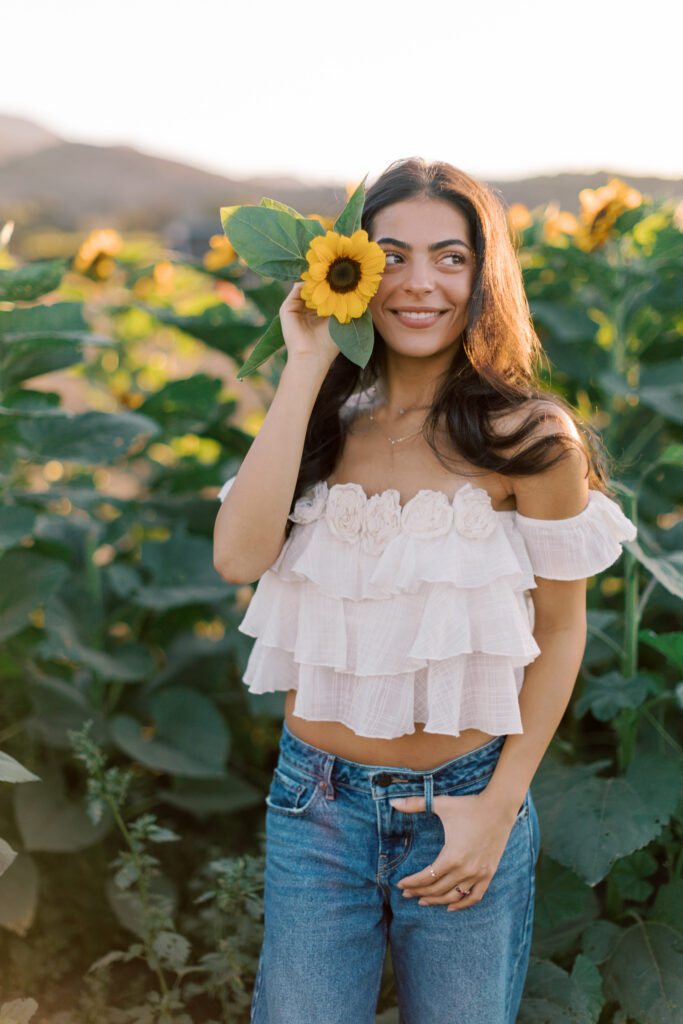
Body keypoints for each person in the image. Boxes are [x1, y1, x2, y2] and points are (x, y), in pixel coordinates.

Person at [213, 158, 637, 1024]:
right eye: (390, 256)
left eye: (450, 258)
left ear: (484, 280)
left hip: (467, 798)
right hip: (317, 807)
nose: (419, 284)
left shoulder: (529, 439)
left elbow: (560, 633)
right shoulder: (323, 425)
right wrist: (302, 365)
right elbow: (237, 558)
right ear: (350, 274)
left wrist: (497, 806)